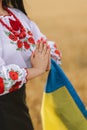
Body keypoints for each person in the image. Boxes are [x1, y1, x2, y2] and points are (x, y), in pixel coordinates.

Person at [0, 0, 61, 129]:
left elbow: (45, 48)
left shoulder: (17, 16)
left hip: (17, 108)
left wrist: (45, 60)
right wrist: (36, 70)